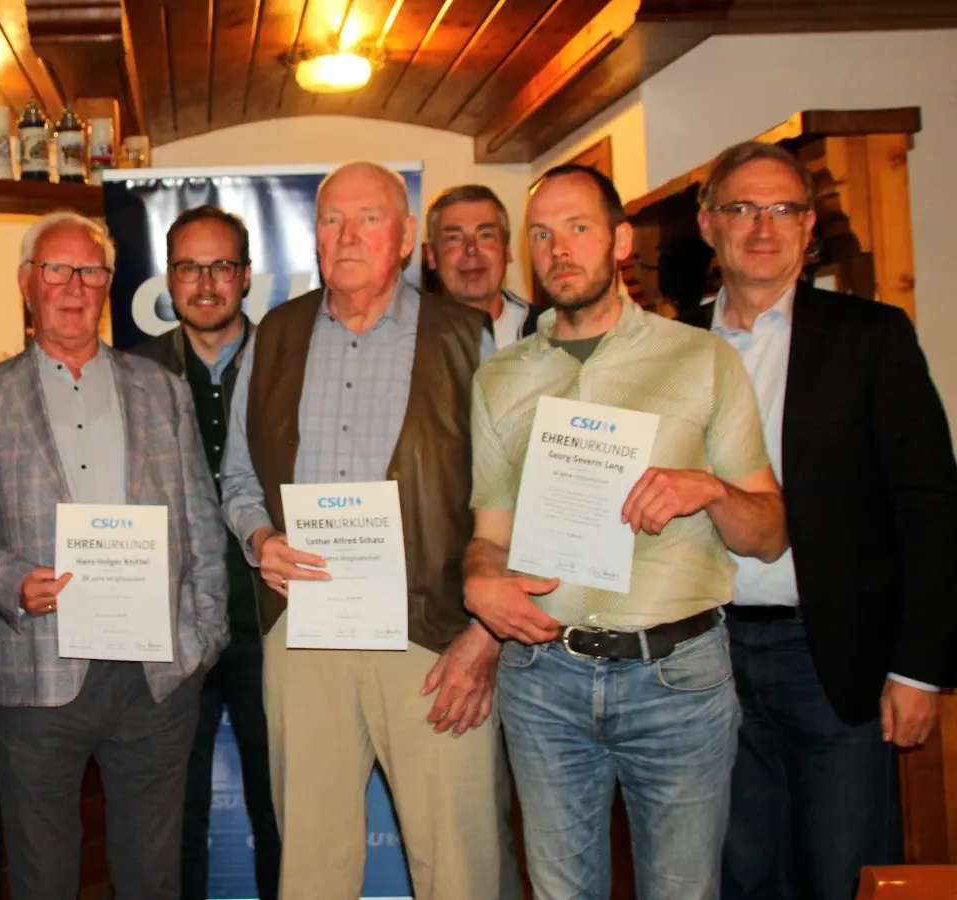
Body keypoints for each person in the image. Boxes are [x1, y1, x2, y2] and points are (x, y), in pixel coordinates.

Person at [465, 164, 788, 900]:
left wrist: (709, 489)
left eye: (578, 228)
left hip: (676, 680)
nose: (558, 249)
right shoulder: (499, 379)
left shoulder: (702, 359)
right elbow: (490, 535)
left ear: (619, 241)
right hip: (544, 678)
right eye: (541, 234)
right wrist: (478, 577)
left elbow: (769, 534)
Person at [220, 161, 517, 900]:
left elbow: (508, 494)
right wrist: (260, 540)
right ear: (315, 236)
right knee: (310, 867)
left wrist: (485, 638)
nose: (347, 236)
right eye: (332, 220)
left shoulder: (466, 338)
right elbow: (238, 477)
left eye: (369, 218)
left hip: (432, 639)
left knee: (459, 864)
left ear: (408, 237)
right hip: (303, 630)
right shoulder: (276, 336)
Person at [674, 141, 957, 900]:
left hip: (835, 659)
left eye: (783, 209)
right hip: (704, 656)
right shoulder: (671, 346)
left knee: (844, 874)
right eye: (741, 208)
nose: (762, 227)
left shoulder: (872, 337)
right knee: (738, 877)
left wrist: (917, 669)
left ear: (807, 227)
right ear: (708, 225)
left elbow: (929, 508)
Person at [0, 210, 229, 900]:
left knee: (151, 876)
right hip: (36, 672)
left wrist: (201, 639)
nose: (74, 287)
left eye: (91, 271)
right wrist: (12, 583)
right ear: (26, 283)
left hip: (155, 676)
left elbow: (201, 519)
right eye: (56, 270)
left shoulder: (161, 390)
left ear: (108, 285)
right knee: (41, 876)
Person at [129, 205, 280, 900]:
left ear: (246, 276)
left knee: (281, 812)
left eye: (222, 266)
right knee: (171, 820)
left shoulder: (289, 361)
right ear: (170, 279)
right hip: (172, 630)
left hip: (273, 623)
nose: (207, 282)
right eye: (190, 267)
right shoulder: (133, 373)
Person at [424, 184, 542, 349]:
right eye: (454, 238)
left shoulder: (554, 332)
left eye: (485, 235)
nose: (471, 249)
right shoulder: (404, 343)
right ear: (431, 256)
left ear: (507, 250)